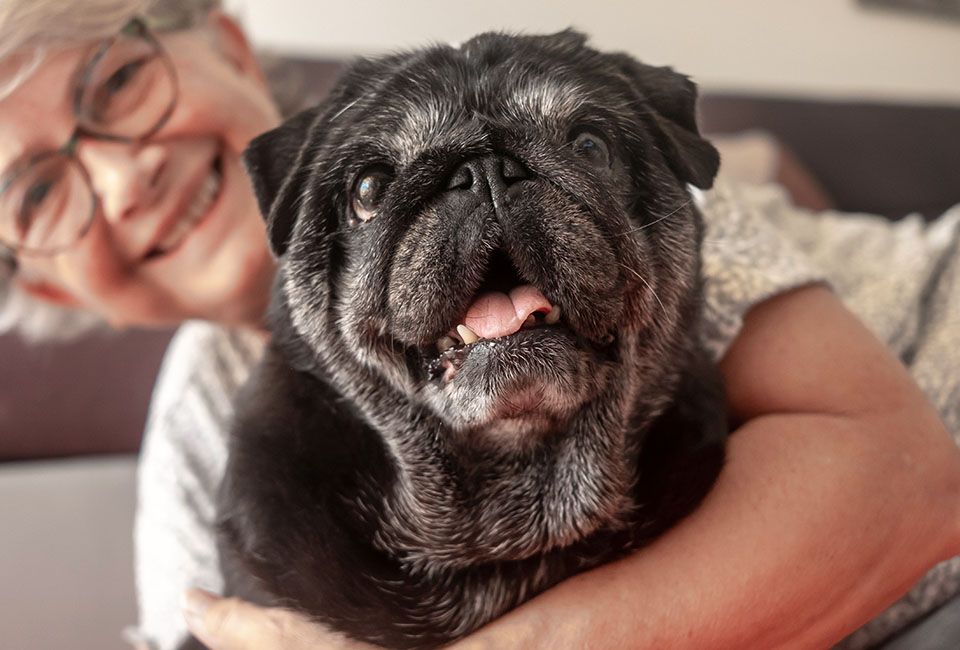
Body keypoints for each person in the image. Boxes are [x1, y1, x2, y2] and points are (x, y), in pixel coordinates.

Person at [0, 2, 958, 649]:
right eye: (39, 193)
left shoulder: (620, 191)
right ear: (40, 291)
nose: (125, 177)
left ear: (229, 45)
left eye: (117, 82)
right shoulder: (200, 428)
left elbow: (905, 485)